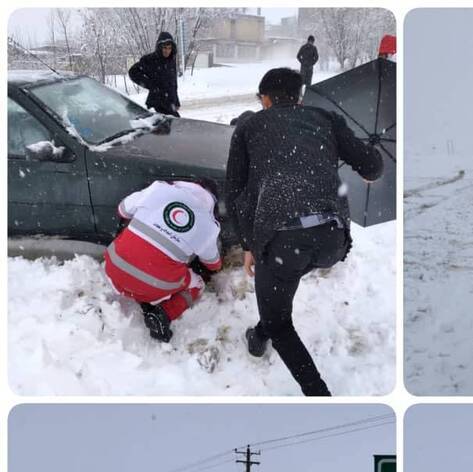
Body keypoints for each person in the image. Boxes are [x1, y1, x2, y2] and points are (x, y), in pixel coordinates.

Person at [225, 68, 384, 396]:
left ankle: (318, 394)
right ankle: (259, 334)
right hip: (333, 240)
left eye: (261, 98)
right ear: (299, 97)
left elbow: (235, 192)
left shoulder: (249, 127)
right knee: (286, 273)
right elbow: (373, 167)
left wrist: (248, 245)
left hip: (281, 239)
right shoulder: (324, 119)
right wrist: (366, 163)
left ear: (265, 99)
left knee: (280, 319)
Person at [105, 180, 221, 342]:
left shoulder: (158, 190)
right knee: (197, 284)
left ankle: (142, 293)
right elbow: (214, 264)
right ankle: (164, 314)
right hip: (152, 285)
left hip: (114, 269)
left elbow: (122, 210)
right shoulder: (208, 226)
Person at [128, 31, 181, 116]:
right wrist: (151, 85)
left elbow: (173, 83)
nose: (167, 51)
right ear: (159, 47)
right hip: (156, 105)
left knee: (176, 126)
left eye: (169, 48)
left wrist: (176, 101)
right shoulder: (151, 60)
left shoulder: (171, 61)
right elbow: (133, 72)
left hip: (170, 105)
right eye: (164, 48)